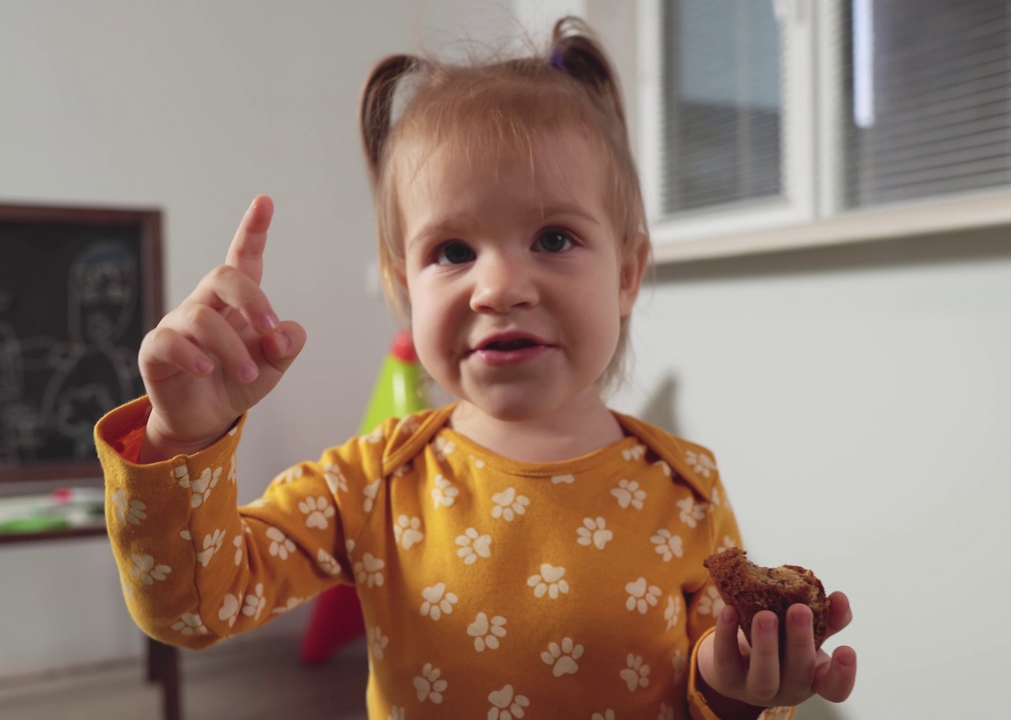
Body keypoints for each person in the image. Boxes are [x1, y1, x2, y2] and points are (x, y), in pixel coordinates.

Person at [95, 17, 857, 720]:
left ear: (627, 274)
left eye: (554, 238)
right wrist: (182, 439)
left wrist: (735, 682)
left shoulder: (687, 487)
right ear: (403, 288)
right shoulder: (373, 483)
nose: (497, 288)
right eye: (452, 251)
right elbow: (193, 610)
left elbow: (708, 692)